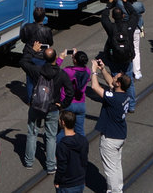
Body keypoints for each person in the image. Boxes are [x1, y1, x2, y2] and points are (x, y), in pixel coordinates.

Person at [21, 45, 74, 172]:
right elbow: (70, 92)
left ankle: (29, 162)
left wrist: (32, 51)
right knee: (51, 137)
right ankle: (50, 166)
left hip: (36, 106)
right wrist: (63, 104)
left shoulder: (37, 70)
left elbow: (23, 62)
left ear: (43, 58)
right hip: (52, 108)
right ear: (56, 58)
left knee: (32, 133)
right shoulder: (61, 74)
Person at [87, 60, 130, 193]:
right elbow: (111, 82)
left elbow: (95, 87)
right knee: (116, 166)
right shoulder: (124, 94)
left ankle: (114, 191)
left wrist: (94, 71)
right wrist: (103, 69)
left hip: (110, 137)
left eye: (116, 77)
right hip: (120, 134)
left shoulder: (114, 99)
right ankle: (118, 189)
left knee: (110, 169)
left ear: (119, 84)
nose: (113, 77)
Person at [54, 109, 88, 193]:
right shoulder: (83, 140)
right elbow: (84, 161)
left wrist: (57, 181)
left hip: (67, 184)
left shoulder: (62, 145)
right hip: (79, 181)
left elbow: (62, 166)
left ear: (63, 122)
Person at [62, 49, 93, 136]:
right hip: (80, 104)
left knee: (63, 130)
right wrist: (76, 57)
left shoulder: (68, 71)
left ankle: (61, 143)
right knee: (80, 130)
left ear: (75, 60)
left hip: (68, 102)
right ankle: (81, 143)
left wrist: (61, 58)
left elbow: (55, 70)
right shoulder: (87, 71)